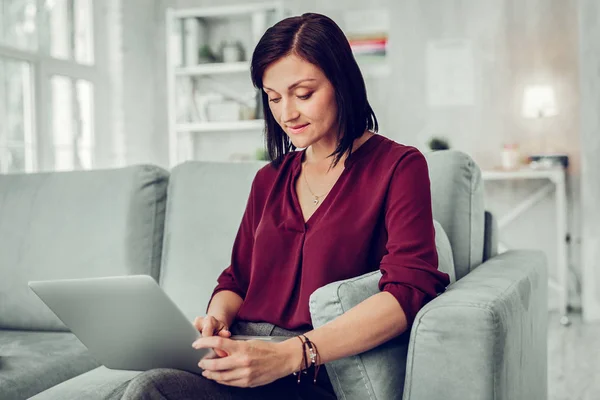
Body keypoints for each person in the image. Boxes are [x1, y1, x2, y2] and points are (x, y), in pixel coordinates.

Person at [120, 12, 450, 400]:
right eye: (274, 98)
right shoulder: (269, 179)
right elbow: (235, 280)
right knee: (149, 387)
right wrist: (216, 319)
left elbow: (409, 291)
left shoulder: (399, 167)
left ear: (341, 83)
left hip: (314, 366)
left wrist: (292, 354)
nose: (286, 114)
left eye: (304, 94)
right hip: (245, 351)